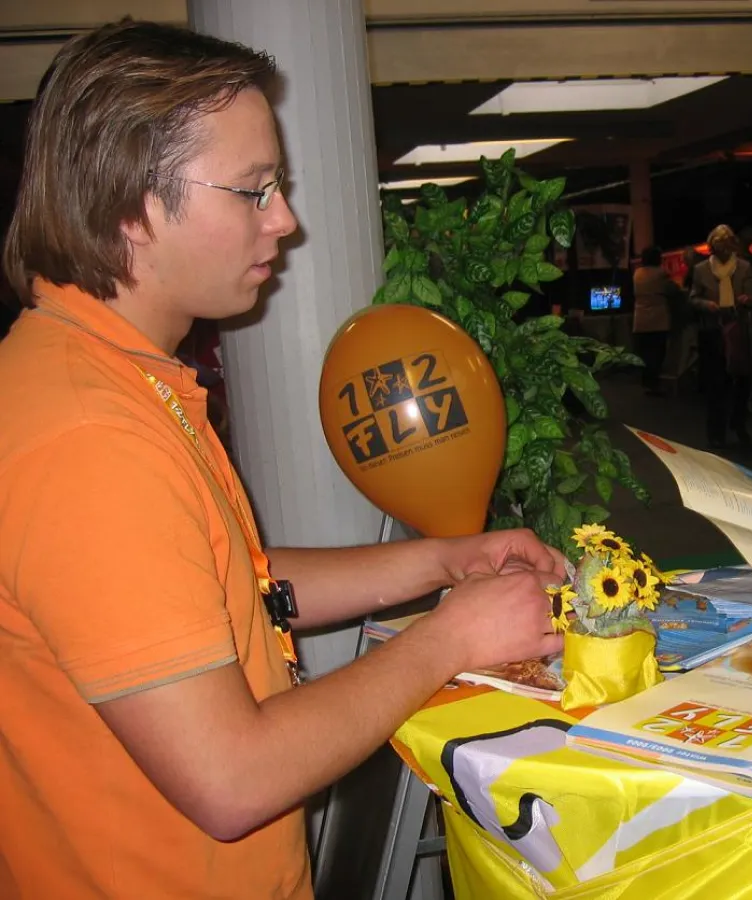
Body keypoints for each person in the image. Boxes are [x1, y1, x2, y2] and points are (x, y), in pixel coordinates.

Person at [0, 21, 565, 899]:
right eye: (254, 190)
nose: (286, 220)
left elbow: (233, 590)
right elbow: (231, 779)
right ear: (131, 206)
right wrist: (447, 639)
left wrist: (443, 560)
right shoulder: (88, 438)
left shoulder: (114, 376)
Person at [689, 224, 752, 449]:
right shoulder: (701, 270)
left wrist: (747, 300)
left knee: (743, 381)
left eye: (727, 246)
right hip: (712, 330)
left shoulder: (745, 267)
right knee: (716, 384)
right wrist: (706, 305)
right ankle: (715, 432)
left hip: (738, 328)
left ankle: (738, 424)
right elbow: (692, 298)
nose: (724, 251)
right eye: (719, 247)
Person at [632, 246, 686, 395]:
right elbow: (674, 290)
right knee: (657, 352)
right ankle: (654, 383)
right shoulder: (661, 274)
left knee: (645, 352)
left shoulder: (637, 273)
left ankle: (646, 382)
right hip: (658, 318)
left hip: (640, 318)